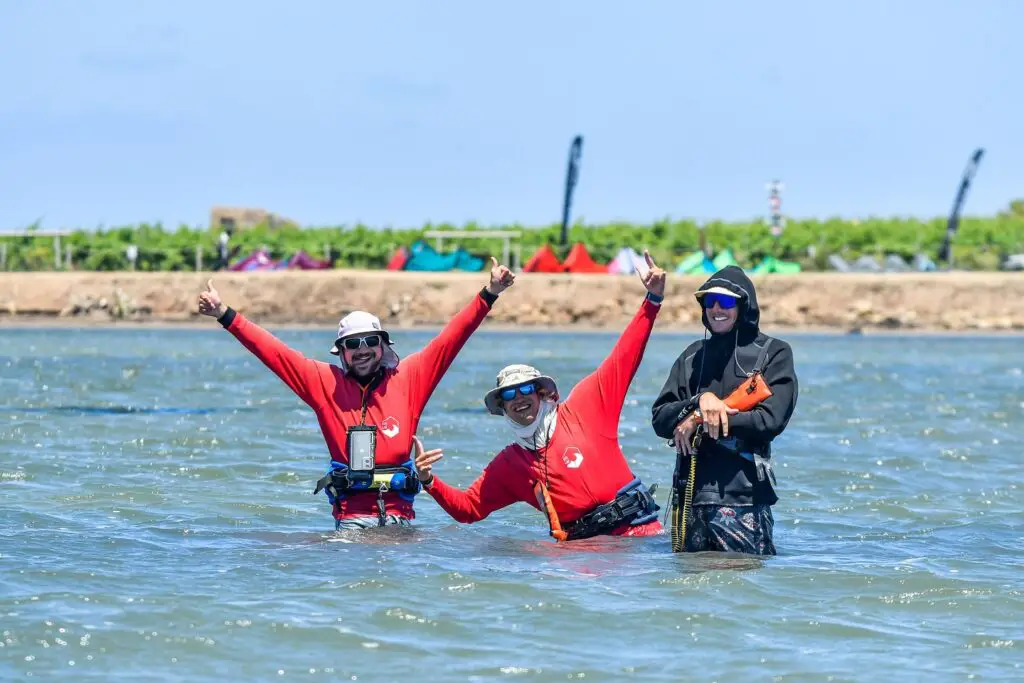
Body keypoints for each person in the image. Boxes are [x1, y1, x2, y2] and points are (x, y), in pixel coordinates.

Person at [196, 257, 516, 530]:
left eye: (370, 342)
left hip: (400, 522)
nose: (362, 350)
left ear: (383, 346)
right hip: (350, 522)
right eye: (352, 344)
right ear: (342, 352)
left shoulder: (410, 378)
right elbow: (273, 352)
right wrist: (224, 314)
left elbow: (452, 338)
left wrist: (490, 293)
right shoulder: (323, 383)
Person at [412, 251, 667, 542]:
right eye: (509, 395)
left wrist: (653, 301)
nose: (519, 399)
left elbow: (625, 357)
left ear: (543, 393)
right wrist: (428, 480)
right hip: (582, 554)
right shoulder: (510, 464)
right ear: (503, 408)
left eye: (525, 390)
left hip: (640, 539)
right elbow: (468, 509)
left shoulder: (586, 406)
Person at [650, 265, 798, 555]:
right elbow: (660, 419)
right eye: (710, 301)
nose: (717, 309)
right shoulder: (691, 356)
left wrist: (699, 419)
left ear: (743, 305)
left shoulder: (774, 353)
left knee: (739, 582)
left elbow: (771, 420)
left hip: (744, 500)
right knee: (687, 583)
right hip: (689, 500)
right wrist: (698, 401)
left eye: (726, 302)